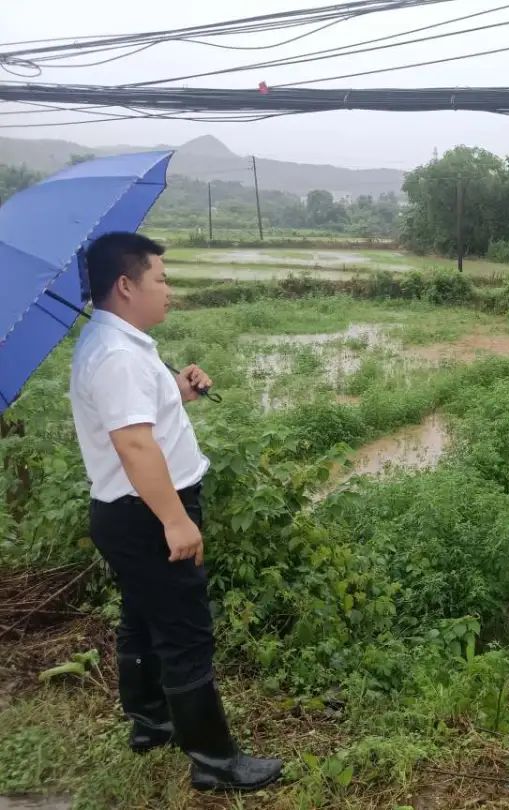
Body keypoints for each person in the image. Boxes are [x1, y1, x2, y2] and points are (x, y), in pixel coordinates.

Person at [68, 232, 281, 792]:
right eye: (160, 278)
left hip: (128, 510)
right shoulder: (117, 355)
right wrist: (176, 520)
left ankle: (149, 721)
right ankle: (215, 761)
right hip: (147, 512)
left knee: (143, 616)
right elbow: (135, 446)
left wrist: (179, 390)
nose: (169, 289)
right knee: (186, 631)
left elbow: (145, 416)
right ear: (125, 284)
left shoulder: (121, 344)